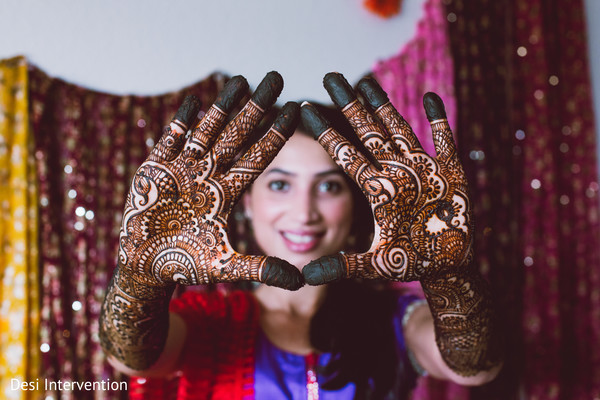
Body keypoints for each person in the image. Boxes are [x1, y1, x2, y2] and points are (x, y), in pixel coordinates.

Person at [99, 71, 504, 399]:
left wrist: (451, 275)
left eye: (329, 186)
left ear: (358, 202)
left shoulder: (395, 320)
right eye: (279, 185)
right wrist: (139, 279)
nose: (304, 212)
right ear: (246, 201)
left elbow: (474, 369)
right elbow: (132, 359)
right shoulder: (209, 321)